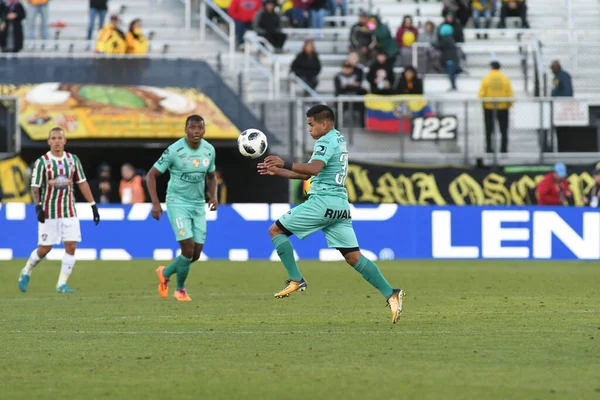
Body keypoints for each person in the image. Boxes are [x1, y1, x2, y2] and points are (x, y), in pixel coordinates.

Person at [257, 105, 405, 324]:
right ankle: (390, 292)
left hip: (322, 202)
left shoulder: (325, 141)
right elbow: (313, 173)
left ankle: (296, 279)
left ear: (323, 124)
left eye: (311, 124)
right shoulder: (338, 139)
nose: (309, 129)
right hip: (340, 206)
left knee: (275, 230)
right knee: (354, 257)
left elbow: (314, 169)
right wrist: (279, 171)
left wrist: (284, 162)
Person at [18, 127, 100, 294]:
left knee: (71, 246)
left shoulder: (72, 160)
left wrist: (93, 205)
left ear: (64, 141)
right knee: (45, 249)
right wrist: (38, 207)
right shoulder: (43, 162)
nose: (56, 141)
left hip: (69, 210)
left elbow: (82, 182)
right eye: (53, 138)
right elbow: (35, 187)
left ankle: (61, 284)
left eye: (59, 138)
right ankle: (26, 271)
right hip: (49, 212)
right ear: (49, 141)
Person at [146, 115, 219, 302]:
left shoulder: (209, 150)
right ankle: (180, 290)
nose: (196, 131)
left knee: (195, 253)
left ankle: (166, 272)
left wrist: (214, 196)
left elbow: (211, 176)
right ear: (186, 129)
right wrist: (155, 203)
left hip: (198, 204)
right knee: (187, 249)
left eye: (200, 128)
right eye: (192, 128)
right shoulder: (174, 150)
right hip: (177, 203)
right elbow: (151, 175)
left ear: (204, 130)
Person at [478, 61, 513, 153]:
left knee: (489, 130)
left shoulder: (486, 78)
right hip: (503, 107)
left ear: (491, 67)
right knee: (504, 130)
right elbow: (510, 93)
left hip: (489, 107)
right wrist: (508, 105)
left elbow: (481, 93)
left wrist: (483, 105)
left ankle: (489, 148)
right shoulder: (505, 78)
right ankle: (504, 149)